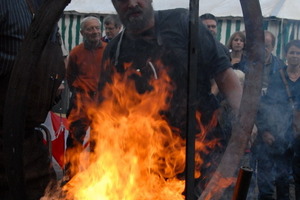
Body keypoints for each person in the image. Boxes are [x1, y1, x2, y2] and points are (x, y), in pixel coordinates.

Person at [100, 0, 242, 197]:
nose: (131, 3)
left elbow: (224, 74)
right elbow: (108, 112)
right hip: (152, 159)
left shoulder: (182, 22)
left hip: (204, 145)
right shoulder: (115, 51)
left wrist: (245, 123)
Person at [0, 0, 64, 199]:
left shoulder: (46, 8)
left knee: (49, 194)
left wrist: (51, 88)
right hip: (2, 139)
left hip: (29, 142)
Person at [253, 37, 297, 200]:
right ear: (286, 54)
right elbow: (267, 105)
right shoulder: (278, 77)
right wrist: (265, 130)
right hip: (277, 133)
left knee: (291, 177)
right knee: (272, 174)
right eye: (292, 52)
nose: (295, 56)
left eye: (298, 53)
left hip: (296, 135)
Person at [66, 16, 107, 150]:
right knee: (74, 139)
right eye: (90, 29)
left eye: (97, 28)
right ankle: (71, 171)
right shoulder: (76, 52)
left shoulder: (109, 50)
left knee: (99, 141)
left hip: (102, 102)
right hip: (81, 102)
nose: (95, 31)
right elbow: (70, 77)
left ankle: (95, 170)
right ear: (82, 33)